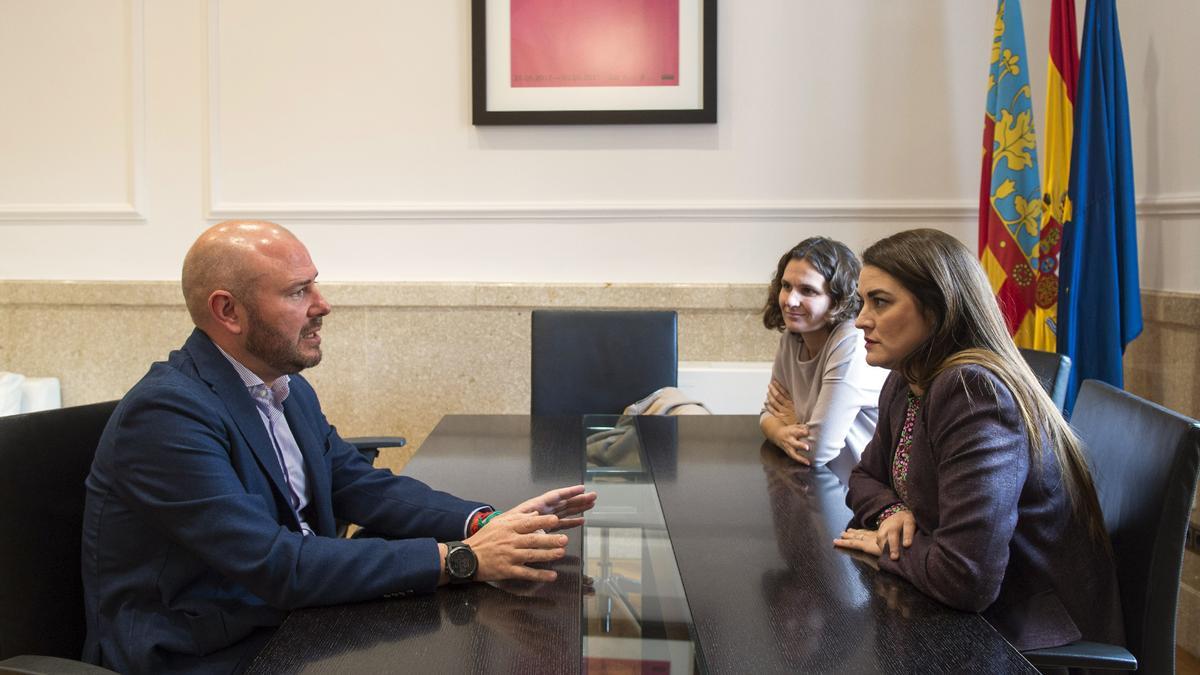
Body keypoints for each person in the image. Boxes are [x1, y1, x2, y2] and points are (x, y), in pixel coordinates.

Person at [81, 221, 597, 674]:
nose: (323, 305)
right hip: (207, 652)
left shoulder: (285, 386)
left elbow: (356, 483)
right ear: (228, 311)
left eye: (315, 285)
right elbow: (275, 564)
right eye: (297, 291)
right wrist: (461, 560)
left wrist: (485, 523)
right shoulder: (167, 415)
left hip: (291, 619)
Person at [833, 228, 1124, 652]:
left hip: (1022, 629)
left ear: (938, 309)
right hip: (958, 610)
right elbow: (863, 477)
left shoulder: (972, 392)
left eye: (880, 301)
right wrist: (892, 511)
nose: (860, 319)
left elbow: (966, 578)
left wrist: (886, 546)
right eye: (862, 302)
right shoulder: (906, 377)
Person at [759, 237, 888, 467]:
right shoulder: (791, 337)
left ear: (837, 299)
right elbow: (767, 415)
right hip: (813, 482)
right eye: (786, 286)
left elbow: (815, 451)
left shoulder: (852, 342)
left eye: (807, 290)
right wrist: (780, 432)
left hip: (856, 493)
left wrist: (792, 419)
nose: (790, 300)